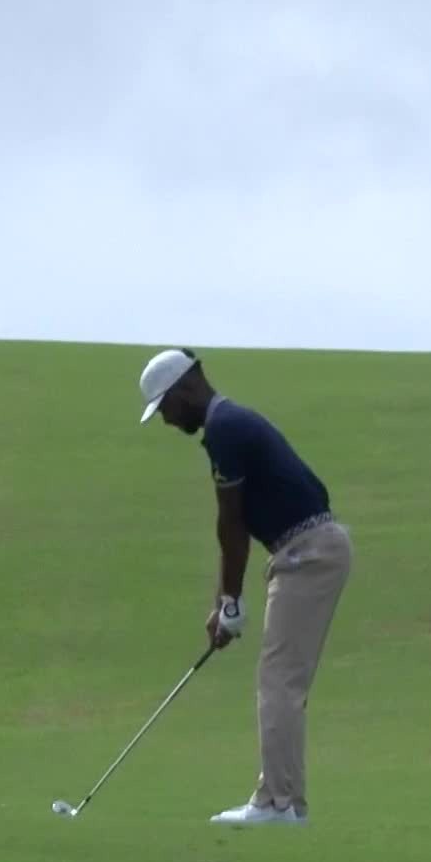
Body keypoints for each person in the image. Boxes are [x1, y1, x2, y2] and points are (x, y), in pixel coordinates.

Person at [137, 347, 353, 825]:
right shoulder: (227, 426)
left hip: (308, 553)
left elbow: (231, 528)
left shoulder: (226, 430)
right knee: (282, 681)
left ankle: (277, 804)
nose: (168, 421)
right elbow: (231, 534)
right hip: (303, 550)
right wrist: (224, 606)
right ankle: (285, 802)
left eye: (165, 408)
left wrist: (230, 603)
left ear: (186, 388)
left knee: (279, 681)